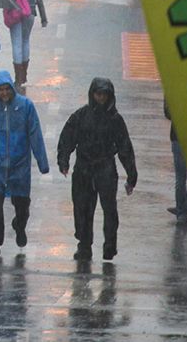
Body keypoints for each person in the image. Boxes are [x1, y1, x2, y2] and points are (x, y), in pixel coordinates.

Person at [57, 77, 137, 262]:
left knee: (109, 210)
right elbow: (67, 138)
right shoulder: (81, 116)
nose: (101, 98)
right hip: (83, 168)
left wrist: (131, 175)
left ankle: (109, 246)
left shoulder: (115, 120)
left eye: (104, 94)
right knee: (82, 209)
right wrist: (64, 161)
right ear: (92, 94)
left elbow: (125, 148)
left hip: (105, 169)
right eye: (98, 94)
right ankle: (84, 246)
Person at [0, 70, 49, 254]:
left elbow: (35, 134)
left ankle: (19, 226)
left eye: (7, 89)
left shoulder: (26, 107)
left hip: (19, 165)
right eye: (0, 90)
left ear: (12, 89)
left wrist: (42, 162)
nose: (4, 93)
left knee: (22, 205)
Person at [5, 0, 47, 87]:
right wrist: (43, 17)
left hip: (16, 11)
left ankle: (18, 78)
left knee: (16, 43)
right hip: (30, 12)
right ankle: (24, 76)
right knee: (25, 41)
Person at [165, 100, 187, 223]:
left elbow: (168, 112)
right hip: (185, 136)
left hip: (183, 136)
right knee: (184, 177)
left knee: (181, 177)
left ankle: (184, 209)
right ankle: (186, 207)